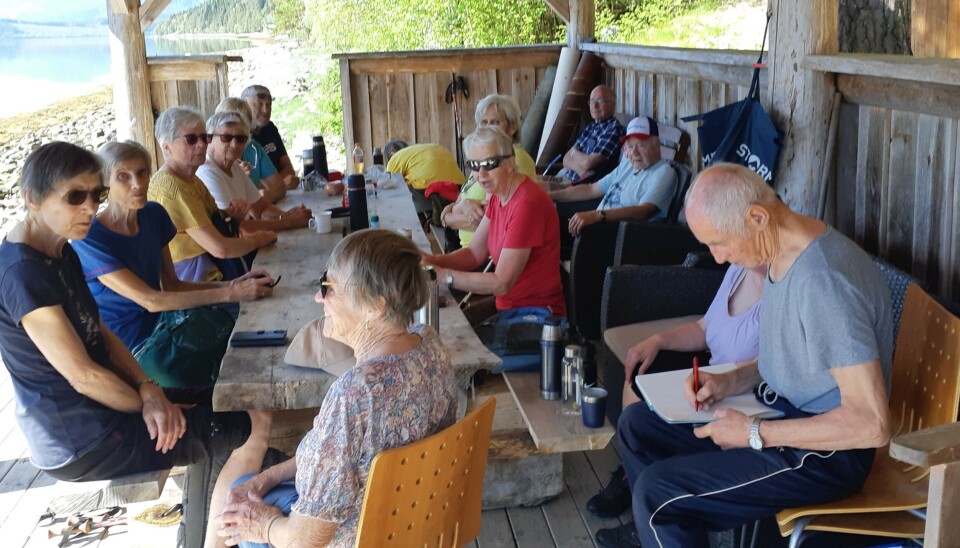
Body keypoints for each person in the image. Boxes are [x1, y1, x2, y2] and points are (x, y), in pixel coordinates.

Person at [595, 163, 893, 548]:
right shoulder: (781, 252)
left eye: (719, 243)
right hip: (783, 415)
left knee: (659, 496)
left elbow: (871, 424)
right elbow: (800, 359)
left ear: (756, 217)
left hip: (827, 453)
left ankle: (659, 526)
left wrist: (754, 433)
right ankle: (657, 536)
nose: (718, 258)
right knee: (637, 425)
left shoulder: (824, 281)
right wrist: (728, 381)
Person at [0, 142, 272, 548]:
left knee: (244, 403)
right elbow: (83, 375)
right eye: (76, 196)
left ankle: (202, 526)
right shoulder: (23, 272)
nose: (90, 207)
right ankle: (214, 540)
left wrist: (148, 387)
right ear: (32, 199)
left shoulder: (59, 250)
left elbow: (103, 336)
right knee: (249, 425)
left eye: (97, 194)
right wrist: (150, 403)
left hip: (109, 409)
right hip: (83, 437)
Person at [215, 229, 458, 547]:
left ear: (375, 306)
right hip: (416, 521)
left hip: (362, 536)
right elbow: (335, 455)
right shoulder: (429, 343)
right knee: (249, 484)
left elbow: (305, 540)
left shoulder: (353, 396)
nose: (319, 297)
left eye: (327, 287)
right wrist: (269, 475)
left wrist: (263, 527)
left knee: (242, 518)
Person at [586, 263, 764, 520]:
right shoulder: (738, 269)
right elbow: (704, 328)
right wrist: (657, 341)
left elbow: (767, 368)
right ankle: (630, 472)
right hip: (709, 380)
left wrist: (724, 380)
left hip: (737, 402)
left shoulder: (782, 288)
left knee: (641, 418)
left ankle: (647, 509)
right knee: (640, 372)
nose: (718, 254)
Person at [72, 140, 276, 354]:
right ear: (104, 183)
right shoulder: (90, 238)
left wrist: (232, 284)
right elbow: (150, 300)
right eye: (123, 176)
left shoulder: (153, 214)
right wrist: (232, 293)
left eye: (142, 173)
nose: (137, 184)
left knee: (257, 327)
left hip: (167, 327)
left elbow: (172, 285)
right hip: (130, 347)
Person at [422, 127, 566, 320]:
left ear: (510, 163)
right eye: (474, 165)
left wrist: (442, 275)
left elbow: (502, 283)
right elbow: (474, 254)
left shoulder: (526, 204)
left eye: (489, 164)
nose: (481, 174)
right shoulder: (499, 196)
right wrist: (431, 261)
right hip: (508, 306)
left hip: (535, 316)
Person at [148, 106, 277, 283]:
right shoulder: (170, 186)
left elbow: (217, 226)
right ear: (167, 147)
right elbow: (220, 248)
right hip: (193, 285)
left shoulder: (190, 179)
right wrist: (258, 240)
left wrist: (234, 218)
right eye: (191, 139)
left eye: (204, 137)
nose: (201, 144)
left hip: (210, 274)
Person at [550, 116, 677, 238]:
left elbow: (644, 211)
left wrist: (598, 215)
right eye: (631, 146)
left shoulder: (664, 172)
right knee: (547, 215)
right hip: (595, 229)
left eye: (640, 145)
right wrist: (551, 196)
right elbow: (592, 189)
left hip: (622, 239)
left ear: (656, 145)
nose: (634, 152)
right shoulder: (628, 164)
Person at [439, 94, 537, 249]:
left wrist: (448, 218)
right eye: (484, 122)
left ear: (512, 127)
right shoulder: (483, 161)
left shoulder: (515, 159)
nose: (489, 127)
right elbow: (460, 201)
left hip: (489, 255)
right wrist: (462, 206)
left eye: (496, 122)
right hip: (466, 247)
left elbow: (494, 221)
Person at [196, 111, 311, 233]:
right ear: (209, 140)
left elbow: (261, 208)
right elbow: (231, 227)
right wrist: (288, 222)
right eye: (226, 138)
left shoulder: (234, 167)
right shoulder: (207, 172)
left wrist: (288, 215)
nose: (234, 144)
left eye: (241, 139)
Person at [216, 96, 287, 203]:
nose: (238, 128)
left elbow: (280, 187)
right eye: (231, 123)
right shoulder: (212, 156)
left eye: (244, 122)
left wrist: (265, 197)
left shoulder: (253, 147)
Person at [554, 85, 625, 183]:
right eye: (591, 101)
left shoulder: (613, 130)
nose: (594, 106)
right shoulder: (591, 127)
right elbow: (565, 159)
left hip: (578, 185)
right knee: (531, 183)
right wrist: (579, 169)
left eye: (600, 101)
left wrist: (573, 153)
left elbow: (588, 163)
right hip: (565, 174)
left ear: (612, 105)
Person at [384, 140, 466, 216]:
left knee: (396, 191)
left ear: (392, 153)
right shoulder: (418, 150)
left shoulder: (395, 158)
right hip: (460, 187)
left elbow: (388, 183)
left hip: (429, 190)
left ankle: (417, 222)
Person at [242, 85, 298, 189]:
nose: (265, 110)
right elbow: (247, 184)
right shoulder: (240, 137)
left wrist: (276, 185)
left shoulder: (270, 129)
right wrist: (280, 184)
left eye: (269, 105)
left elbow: (289, 169)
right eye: (260, 104)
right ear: (245, 106)